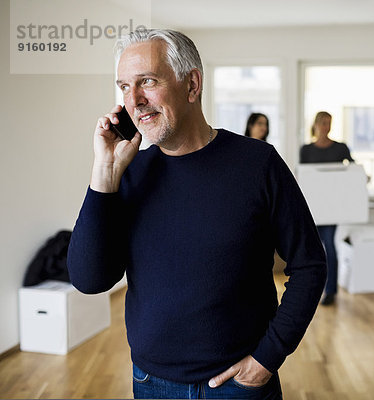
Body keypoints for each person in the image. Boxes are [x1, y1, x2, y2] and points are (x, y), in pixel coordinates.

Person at [67, 29, 326, 400]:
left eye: (148, 82)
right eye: (124, 87)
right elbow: (89, 279)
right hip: (150, 383)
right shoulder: (127, 173)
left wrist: (267, 358)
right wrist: (104, 173)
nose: (134, 101)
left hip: (240, 385)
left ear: (192, 85)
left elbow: (310, 264)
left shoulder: (258, 164)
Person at [299, 111, 353, 306]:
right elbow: (303, 176)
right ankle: (311, 288)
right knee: (313, 248)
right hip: (312, 206)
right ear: (315, 125)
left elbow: (351, 171)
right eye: (322, 123)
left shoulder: (340, 148)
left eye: (329, 123)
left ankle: (330, 290)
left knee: (329, 245)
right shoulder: (306, 150)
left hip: (332, 207)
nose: (325, 127)